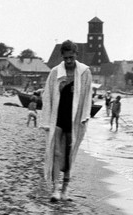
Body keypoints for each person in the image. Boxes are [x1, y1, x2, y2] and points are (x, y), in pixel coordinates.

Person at [40, 40, 93, 203]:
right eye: (66, 58)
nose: (69, 61)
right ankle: (55, 189)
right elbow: (47, 95)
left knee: (70, 154)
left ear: (76, 55)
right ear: (62, 56)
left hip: (75, 118)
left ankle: (65, 188)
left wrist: (85, 117)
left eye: (71, 57)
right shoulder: (55, 72)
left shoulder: (84, 72)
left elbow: (87, 96)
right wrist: (47, 119)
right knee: (56, 152)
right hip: (58, 115)